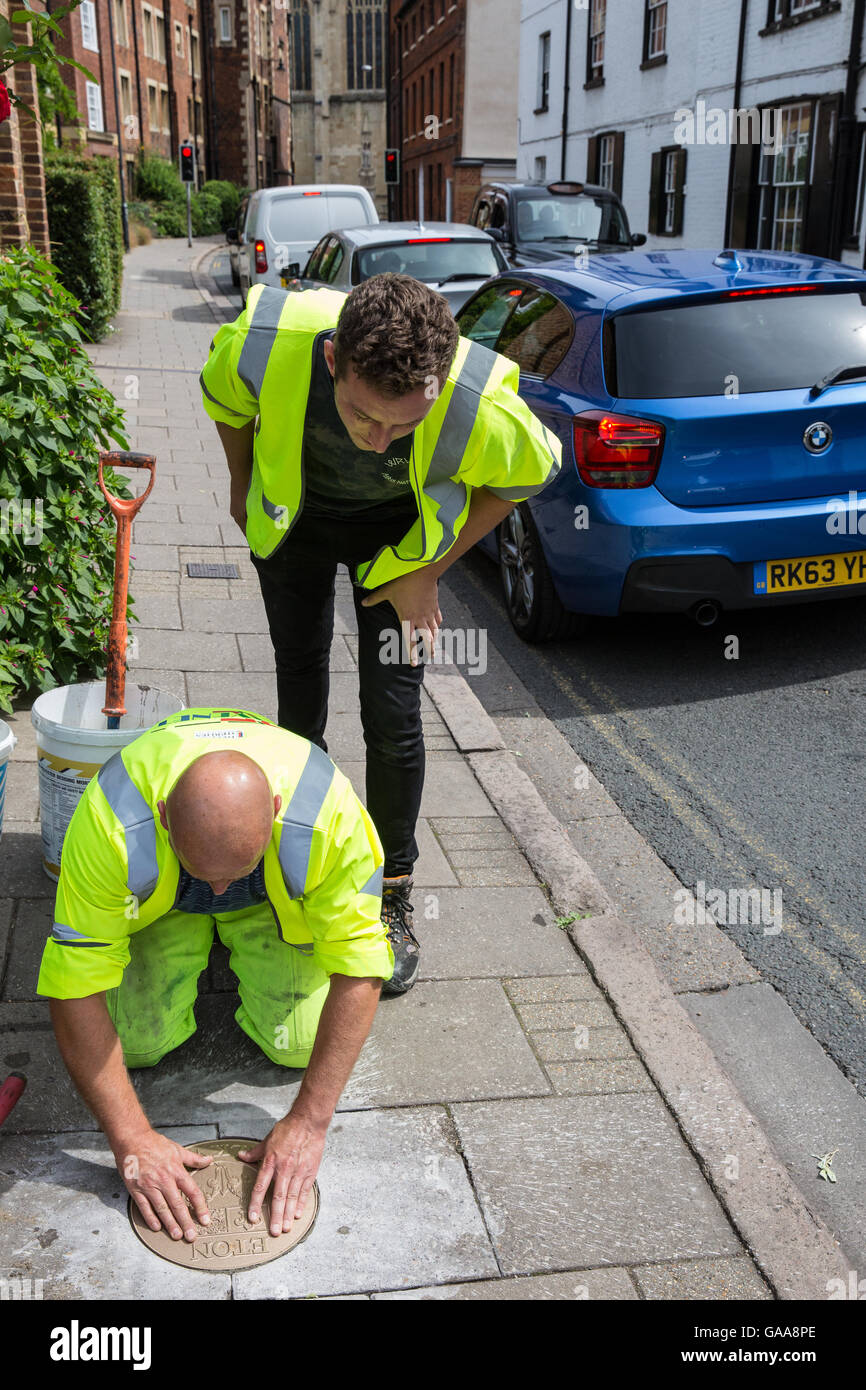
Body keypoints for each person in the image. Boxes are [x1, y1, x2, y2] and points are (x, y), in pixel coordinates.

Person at [200, 273, 561, 994]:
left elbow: (530, 472)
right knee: (298, 689)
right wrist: (240, 487)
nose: (379, 439)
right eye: (365, 416)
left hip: (395, 550)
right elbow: (225, 399)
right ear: (333, 359)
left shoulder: (473, 399)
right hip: (297, 526)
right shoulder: (265, 340)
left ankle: (392, 893)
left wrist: (433, 569)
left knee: (392, 715)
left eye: (404, 424)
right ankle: (293, 859)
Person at [36, 707, 393, 1244]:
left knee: (299, 1048)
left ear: (275, 810)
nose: (220, 892)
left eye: (235, 873)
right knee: (135, 1046)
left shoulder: (329, 817)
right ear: (160, 815)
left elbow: (362, 965)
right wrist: (131, 1140)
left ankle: (230, 913)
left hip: (269, 901)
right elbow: (73, 985)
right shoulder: (108, 823)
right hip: (163, 903)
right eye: (207, 875)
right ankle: (196, 919)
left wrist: (310, 1123)